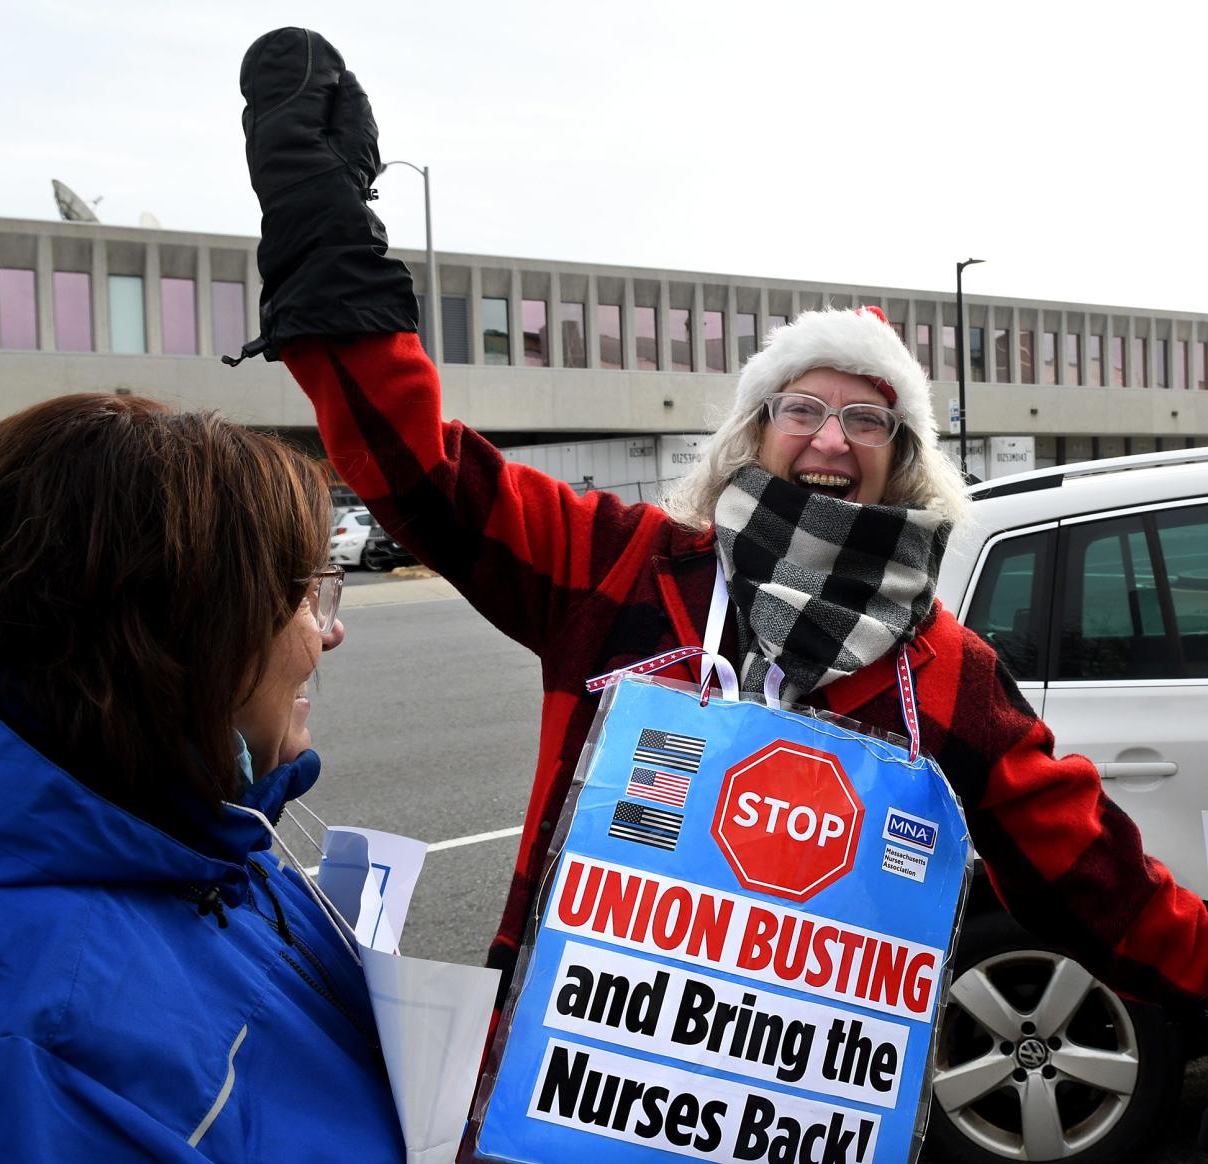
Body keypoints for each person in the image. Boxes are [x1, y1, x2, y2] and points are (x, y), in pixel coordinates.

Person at [234, 28, 1208, 1020]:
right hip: (558, 1094)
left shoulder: (946, 674)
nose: (831, 441)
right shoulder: (620, 566)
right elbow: (421, 470)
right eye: (803, 410)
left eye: (867, 418)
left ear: (902, 458)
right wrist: (324, 229)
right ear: (756, 434)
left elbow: (1106, 894)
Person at [0, 394, 405, 1161]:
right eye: (301, 597)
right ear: (181, 639)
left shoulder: (189, 830)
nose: (329, 629)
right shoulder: (34, 1049)